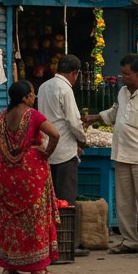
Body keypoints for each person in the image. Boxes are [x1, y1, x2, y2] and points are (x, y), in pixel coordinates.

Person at [82, 55, 138, 258]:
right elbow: (114, 113)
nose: (122, 77)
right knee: (124, 202)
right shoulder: (122, 92)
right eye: (122, 73)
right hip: (122, 154)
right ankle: (129, 241)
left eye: (126, 74)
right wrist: (93, 117)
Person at [0, 81, 62, 274]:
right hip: (30, 172)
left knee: (8, 217)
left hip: (5, 172)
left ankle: (9, 266)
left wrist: (3, 148)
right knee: (34, 217)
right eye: (33, 94)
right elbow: (55, 134)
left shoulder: (2, 116)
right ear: (26, 97)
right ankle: (38, 268)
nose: (34, 97)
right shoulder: (33, 115)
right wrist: (46, 153)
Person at [38, 54, 89, 256]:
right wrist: (83, 139)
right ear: (74, 73)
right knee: (66, 199)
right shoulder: (65, 88)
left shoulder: (44, 87)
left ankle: (50, 242)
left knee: (50, 200)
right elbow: (74, 122)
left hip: (47, 149)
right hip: (65, 150)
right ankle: (68, 243)